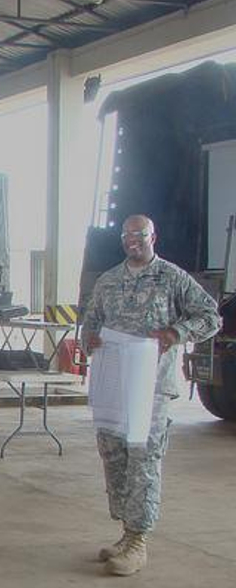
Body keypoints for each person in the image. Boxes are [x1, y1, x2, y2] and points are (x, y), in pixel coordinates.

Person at [81, 214, 221, 576]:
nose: (132, 240)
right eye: (127, 235)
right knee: (114, 456)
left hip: (152, 388)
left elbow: (211, 316)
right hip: (113, 384)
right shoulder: (109, 280)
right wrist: (89, 339)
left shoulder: (172, 278)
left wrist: (177, 332)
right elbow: (91, 318)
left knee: (143, 459)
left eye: (139, 234)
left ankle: (138, 541)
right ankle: (125, 534)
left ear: (152, 236)